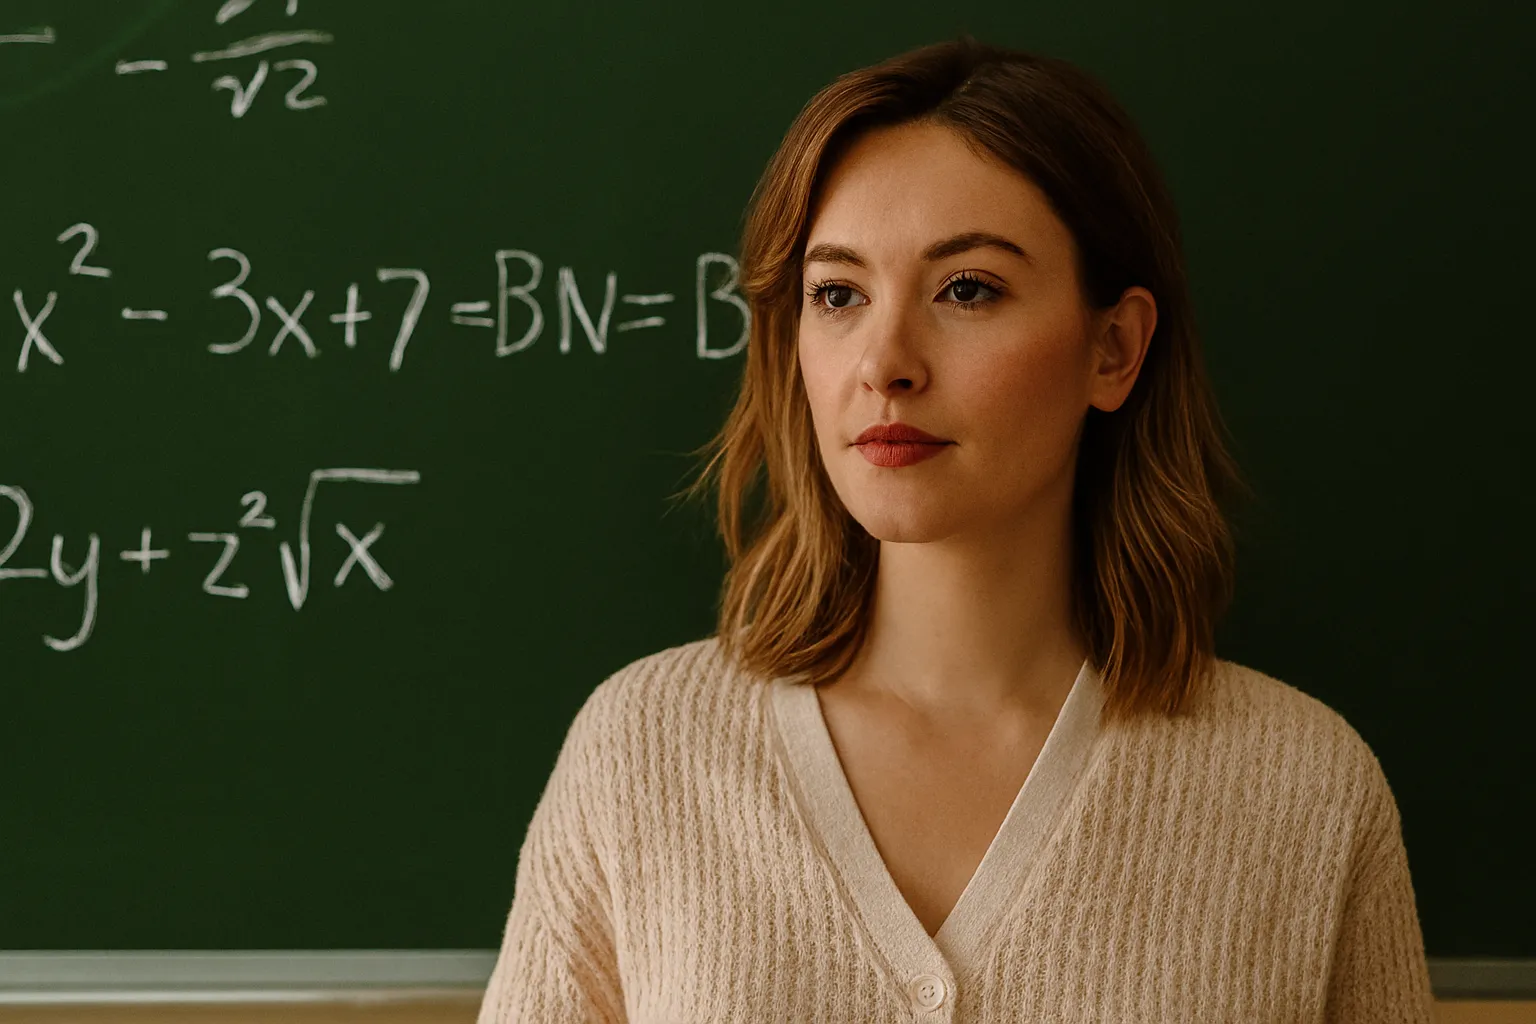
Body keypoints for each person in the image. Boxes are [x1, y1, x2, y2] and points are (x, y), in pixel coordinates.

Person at [477, 36, 1436, 1023]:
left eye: (966, 289)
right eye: (837, 295)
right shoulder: (644, 754)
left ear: (1113, 349)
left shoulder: (1302, 789)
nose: (883, 361)